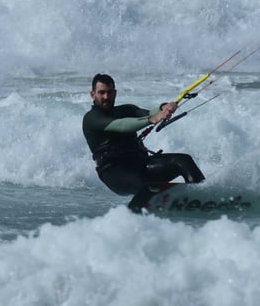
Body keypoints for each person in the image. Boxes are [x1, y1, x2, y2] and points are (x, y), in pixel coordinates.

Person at [82, 73, 205, 212]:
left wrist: (164, 107)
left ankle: (202, 198)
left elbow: (150, 112)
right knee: (146, 185)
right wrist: (152, 120)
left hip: (139, 163)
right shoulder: (91, 118)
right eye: (101, 92)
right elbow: (122, 125)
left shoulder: (126, 109)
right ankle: (132, 217)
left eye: (109, 92)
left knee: (184, 161)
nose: (106, 96)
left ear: (115, 93)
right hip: (114, 172)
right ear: (93, 94)